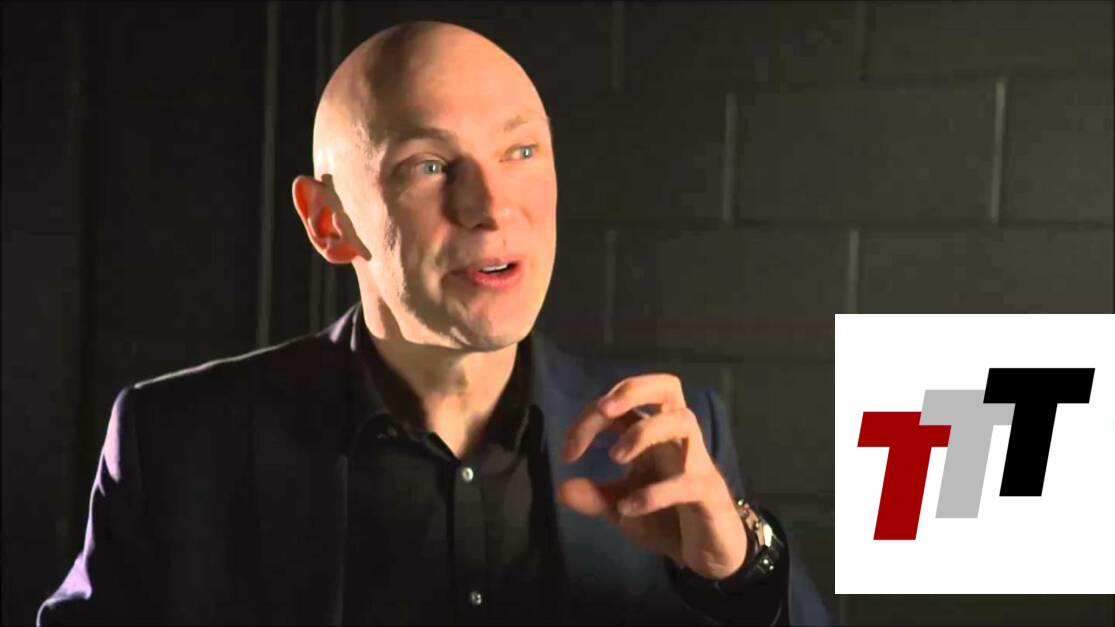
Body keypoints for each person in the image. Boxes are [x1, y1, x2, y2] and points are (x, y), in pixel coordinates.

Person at [38, 21, 832, 626]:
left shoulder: (668, 434)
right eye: (428, 165)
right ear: (328, 222)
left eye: (521, 151)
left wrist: (740, 570)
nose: (491, 206)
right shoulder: (178, 442)